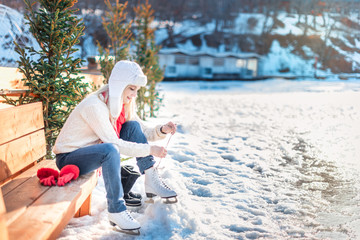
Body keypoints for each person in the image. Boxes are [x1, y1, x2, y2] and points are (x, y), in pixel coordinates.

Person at [52, 60, 177, 234]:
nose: (134, 95)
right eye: (131, 89)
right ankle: (116, 210)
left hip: (89, 154)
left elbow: (142, 131)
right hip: (69, 158)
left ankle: (151, 179)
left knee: (131, 126)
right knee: (110, 150)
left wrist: (162, 130)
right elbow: (115, 144)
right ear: (120, 85)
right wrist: (150, 150)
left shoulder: (118, 105)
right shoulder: (95, 106)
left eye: (136, 90)